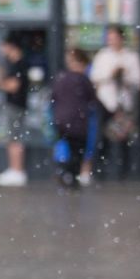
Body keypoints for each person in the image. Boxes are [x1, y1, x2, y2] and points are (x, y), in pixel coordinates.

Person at [87, 25, 140, 184]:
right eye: (109, 38)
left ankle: (123, 171)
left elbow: (139, 81)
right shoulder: (102, 56)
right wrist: (110, 75)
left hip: (124, 104)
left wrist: (125, 76)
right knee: (102, 137)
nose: (111, 41)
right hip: (105, 102)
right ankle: (99, 170)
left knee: (123, 138)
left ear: (121, 38)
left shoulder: (131, 56)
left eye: (114, 37)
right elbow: (94, 77)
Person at [51, 48, 97, 189]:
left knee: (66, 147)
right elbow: (93, 99)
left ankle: (64, 172)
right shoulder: (83, 80)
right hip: (78, 122)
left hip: (62, 120)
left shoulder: (62, 78)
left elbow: (53, 97)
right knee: (78, 151)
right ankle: (70, 175)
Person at [0, 36, 31, 187]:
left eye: (4, 46)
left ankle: (17, 170)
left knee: (14, 138)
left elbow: (13, 86)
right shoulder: (16, 64)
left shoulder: (19, 64)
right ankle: (14, 169)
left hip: (15, 105)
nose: (2, 50)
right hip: (16, 105)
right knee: (13, 137)